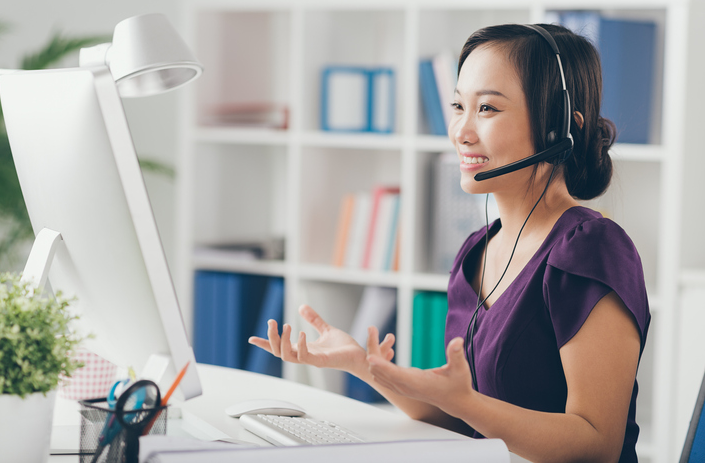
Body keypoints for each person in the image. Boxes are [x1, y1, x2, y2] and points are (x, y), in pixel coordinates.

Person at [249, 23, 650, 463]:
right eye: (458, 105)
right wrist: (362, 365)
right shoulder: (475, 253)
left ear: (559, 128)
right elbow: (461, 421)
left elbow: (597, 445)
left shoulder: (590, 247)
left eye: (488, 109)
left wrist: (466, 404)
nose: (461, 130)